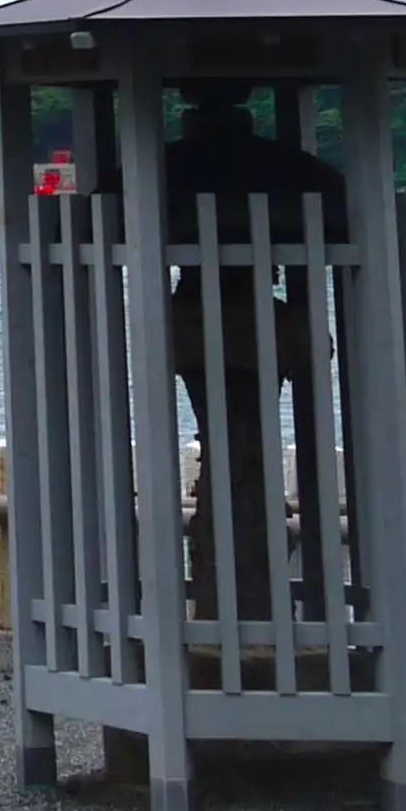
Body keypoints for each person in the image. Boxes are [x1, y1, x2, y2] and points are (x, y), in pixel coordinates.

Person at [161, 89, 349, 648]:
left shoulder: (185, 319)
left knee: (235, 460)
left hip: (202, 325)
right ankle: (254, 612)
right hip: (248, 328)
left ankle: (235, 612)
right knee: (241, 459)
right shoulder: (305, 181)